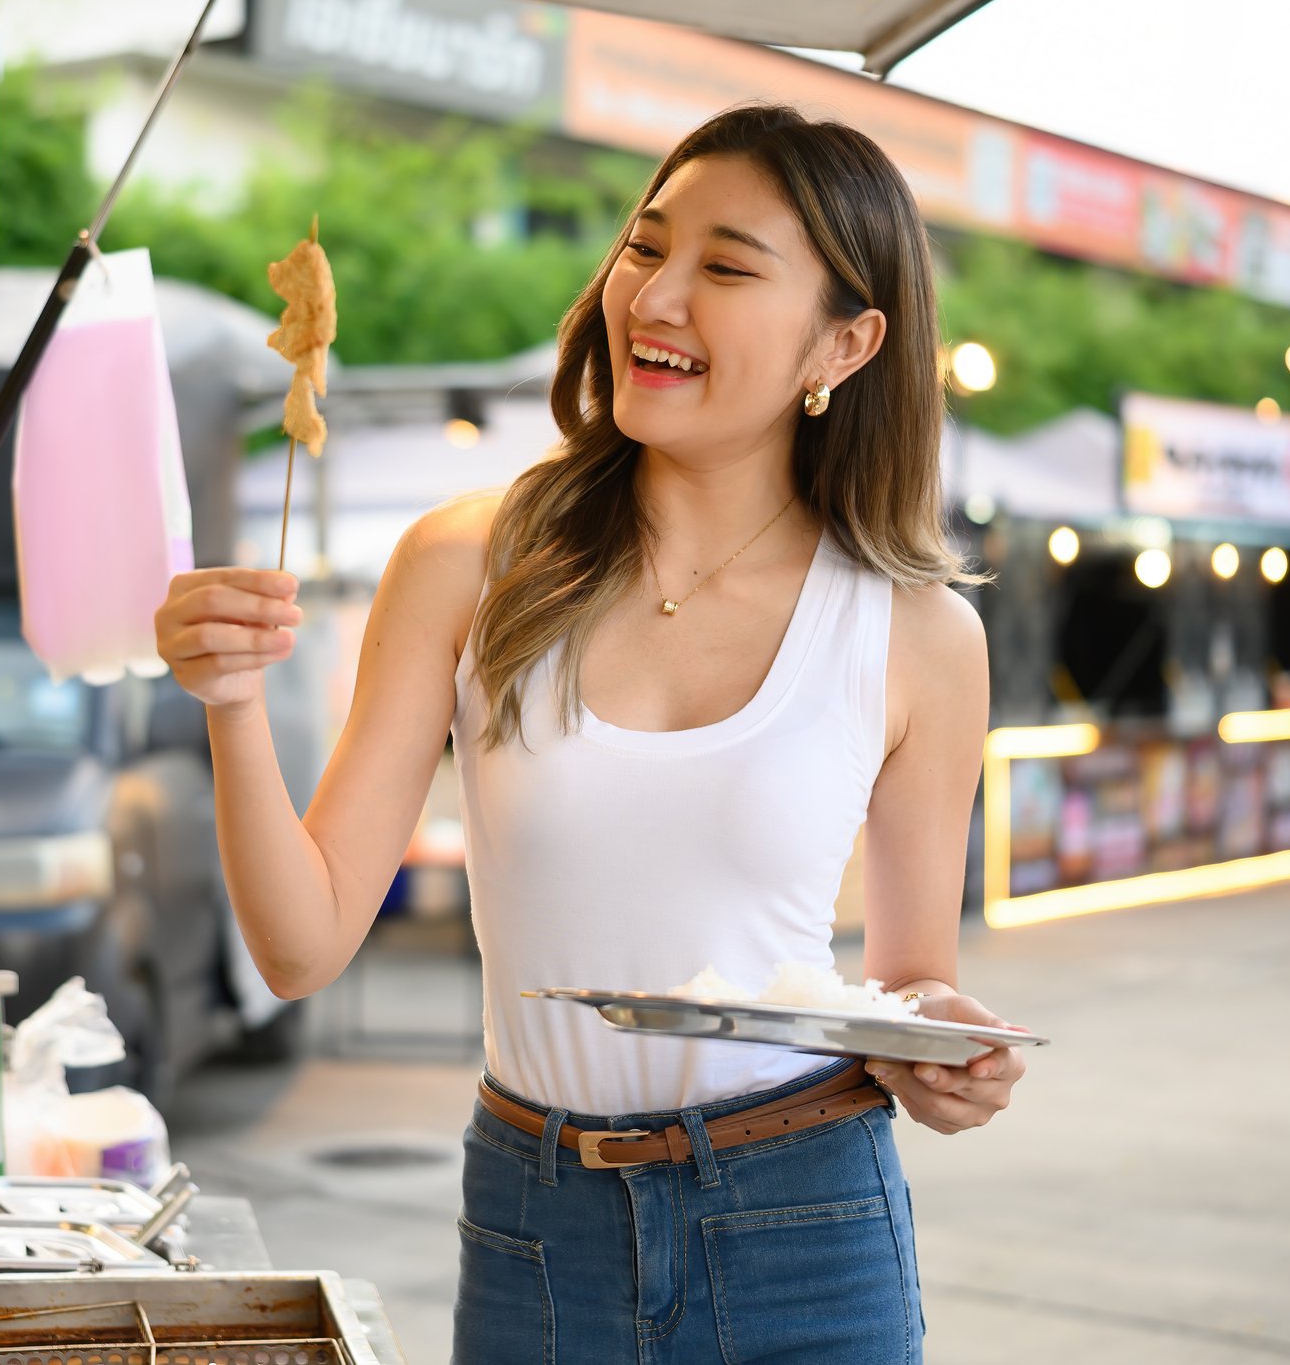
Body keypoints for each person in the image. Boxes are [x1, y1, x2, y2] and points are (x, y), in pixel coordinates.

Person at [155, 104, 1028, 1363]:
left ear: (844, 340)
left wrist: (948, 1053)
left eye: (725, 267)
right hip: (536, 1218)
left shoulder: (921, 634)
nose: (655, 295)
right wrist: (231, 706)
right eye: (644, 246)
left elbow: (900, 986)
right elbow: (299, 947)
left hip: (807, 1220)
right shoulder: (469, 559)